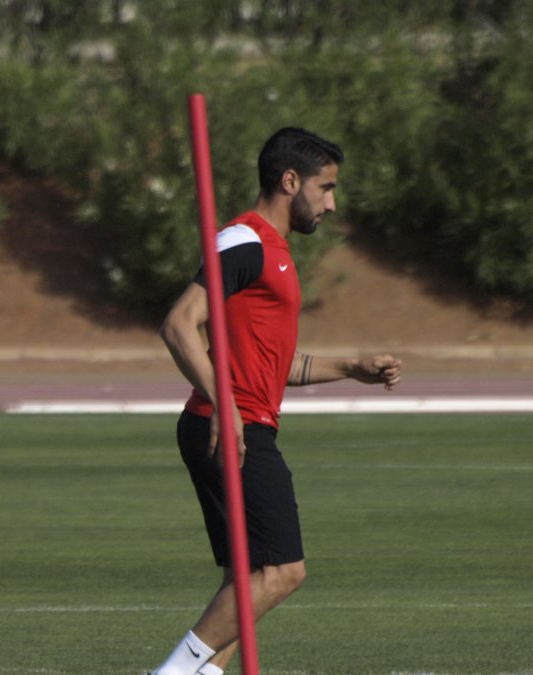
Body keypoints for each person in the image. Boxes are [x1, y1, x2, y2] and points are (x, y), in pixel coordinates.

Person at [152, 127, 403, 675]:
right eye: (326, 187)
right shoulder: (244, 241)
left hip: (237, 421)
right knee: (284, 571)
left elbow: (273, 364)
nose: (332, 203)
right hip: (230, 429)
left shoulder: (276, 253)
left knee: (245, 585)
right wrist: (227, 406)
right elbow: (178, 325)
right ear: (290, 181)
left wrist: (352, 369)